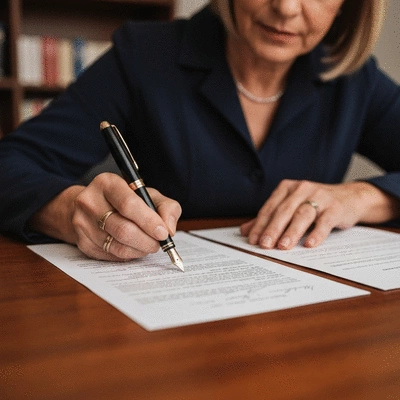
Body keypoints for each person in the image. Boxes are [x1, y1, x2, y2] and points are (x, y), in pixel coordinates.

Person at [0, 0, 399, 262]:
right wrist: (70, 211)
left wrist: (366, 197)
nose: (286, 8)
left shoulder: (355, 79)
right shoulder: (144, 54)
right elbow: (9, 163)